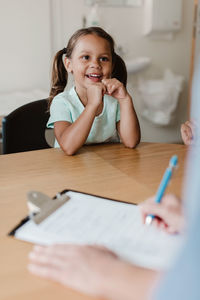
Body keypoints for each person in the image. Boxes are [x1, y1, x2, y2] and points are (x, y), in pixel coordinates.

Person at [47, 27, 140, 155]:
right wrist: (92, 105)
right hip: (69, 171)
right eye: (86, 57)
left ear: (112, 65)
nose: (95, 64)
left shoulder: (114, 101)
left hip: (106, 168)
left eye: (103, 59)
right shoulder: (62, 102)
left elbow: (131, 142)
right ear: (69, 64)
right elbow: (68, 147)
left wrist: (125, 100)